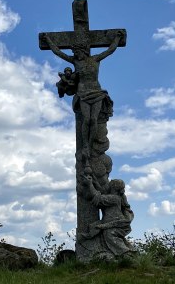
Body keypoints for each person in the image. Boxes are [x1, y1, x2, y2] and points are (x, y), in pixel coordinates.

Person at [41, 31, 123, 161]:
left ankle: (89, 146)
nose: (75, 55)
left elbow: (110, 50)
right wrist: (48, 40)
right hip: (82, 93)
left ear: (83, 51)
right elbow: (58, 52)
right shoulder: (75, 61)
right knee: (87, 119)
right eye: (74, 53)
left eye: (77, 52)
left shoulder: (95, 59)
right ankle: (85, 145)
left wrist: (117, 38)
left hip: (96, 92)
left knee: (93, 120)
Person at [78, 176, 134, 259]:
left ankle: (126, 254)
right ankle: (124, 253)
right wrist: (95, 182)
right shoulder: (113, 196)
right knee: (101, 233)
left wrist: (90, 184)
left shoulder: (114, 198)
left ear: (114, 187)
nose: (108, 184)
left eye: (110, 183)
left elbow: (99, 198)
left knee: (110, 234)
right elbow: (101, 193)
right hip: (109, 222)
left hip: (115, 223)